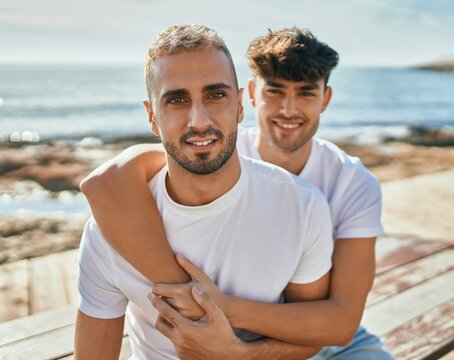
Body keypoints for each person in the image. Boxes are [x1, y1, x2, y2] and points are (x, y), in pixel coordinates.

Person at [81, 27, 395, 359]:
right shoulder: (214, 149)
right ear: (253, 96)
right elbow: (106, 182)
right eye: (275, 91)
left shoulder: (341, 186)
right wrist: (192, 300)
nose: (288, 110)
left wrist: (219, 318)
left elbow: (338, 324)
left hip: (311, 336)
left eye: (305, 93)